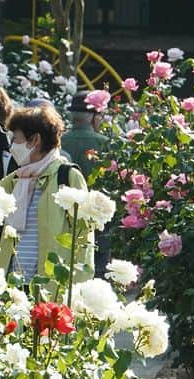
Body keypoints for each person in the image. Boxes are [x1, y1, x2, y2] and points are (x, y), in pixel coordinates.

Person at [0, 104, 94, 284]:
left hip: (50, 286)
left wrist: (78, 287)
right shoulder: (18, 178)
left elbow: (84, 237)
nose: (11, 147)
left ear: (35, 140)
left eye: (15, 139)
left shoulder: (68, 177)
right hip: (13, 285)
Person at [60, 91, 110, 275]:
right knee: (99, 266)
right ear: (92, 117)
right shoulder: (106, 143)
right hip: (99, 214)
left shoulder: (59, 142)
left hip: (66, 214)